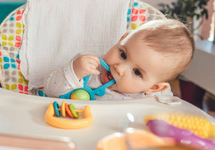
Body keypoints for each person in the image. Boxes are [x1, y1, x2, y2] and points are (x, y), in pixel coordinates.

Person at [42, 19, 195, 100]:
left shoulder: (155, 98)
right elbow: (50, 92)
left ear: (153, 87)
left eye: (136, 72)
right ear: (122, 39)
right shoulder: (89, 70)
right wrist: (74, 71)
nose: (119, 68)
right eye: (123, 54)